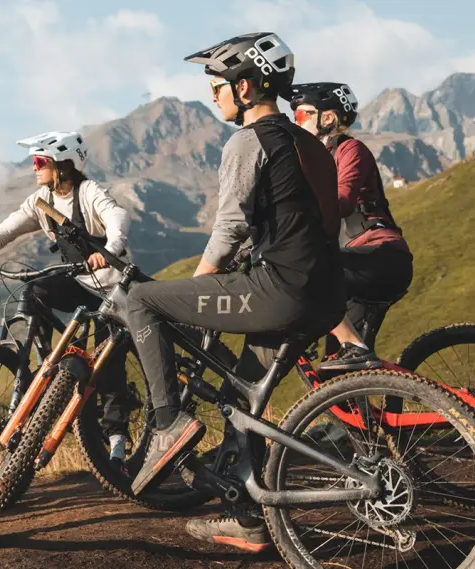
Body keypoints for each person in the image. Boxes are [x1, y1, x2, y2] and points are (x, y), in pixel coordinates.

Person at [123, 32, 346, 552]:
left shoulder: (248, 142)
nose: (213, 95)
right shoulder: (309, 143)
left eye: (216, 85)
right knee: (240, 396)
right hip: (325, 295)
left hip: (280, 292)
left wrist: (199, 289)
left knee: (141, 300)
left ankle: (167, 424)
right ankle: (247, 517)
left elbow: (229, 228)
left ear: (244, 87)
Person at [0, 131, 137, 470]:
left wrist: (109, 250)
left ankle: (117, 439)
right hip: (80, 282)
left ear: (63, 165)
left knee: (108, 361)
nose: (34, 167)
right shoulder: (41, 201)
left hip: (112, 287)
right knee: (35, 291)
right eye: (34, 161)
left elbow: (117, 217)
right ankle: (50, 364)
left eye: (40, 161)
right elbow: (5, 231)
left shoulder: (89, 192)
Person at [289, 82, 413, 370]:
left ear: (328, 118)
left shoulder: (350, 149)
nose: (296, 122)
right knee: (337, 371)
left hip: (382, 257)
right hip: (350, 267)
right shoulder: (311, 161)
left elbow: (343, 201)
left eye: (301, 115)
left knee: (307, 274)